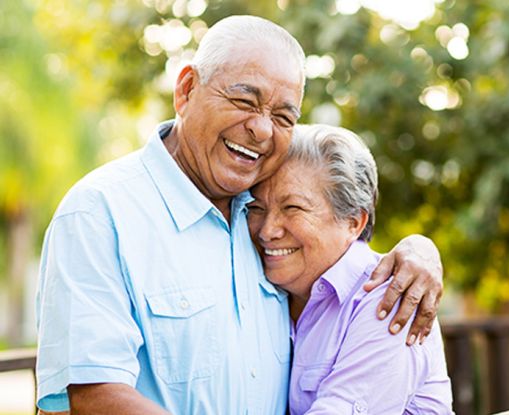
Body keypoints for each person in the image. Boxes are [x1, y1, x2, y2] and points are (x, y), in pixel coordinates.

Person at [35, 15, 443, 414]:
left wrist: (419, 250)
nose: (263, 130)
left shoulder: (259, 217)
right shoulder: (99, 212)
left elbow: (339, 244)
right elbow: (95, 397)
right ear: (187, 90)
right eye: (244, 100)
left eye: (283, 117)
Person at [248, 124, 453, 414]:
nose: (267, 231)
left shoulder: (391, 295)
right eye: (256, 209)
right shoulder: (266, 289)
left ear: (353, 222)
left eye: (293, 208)